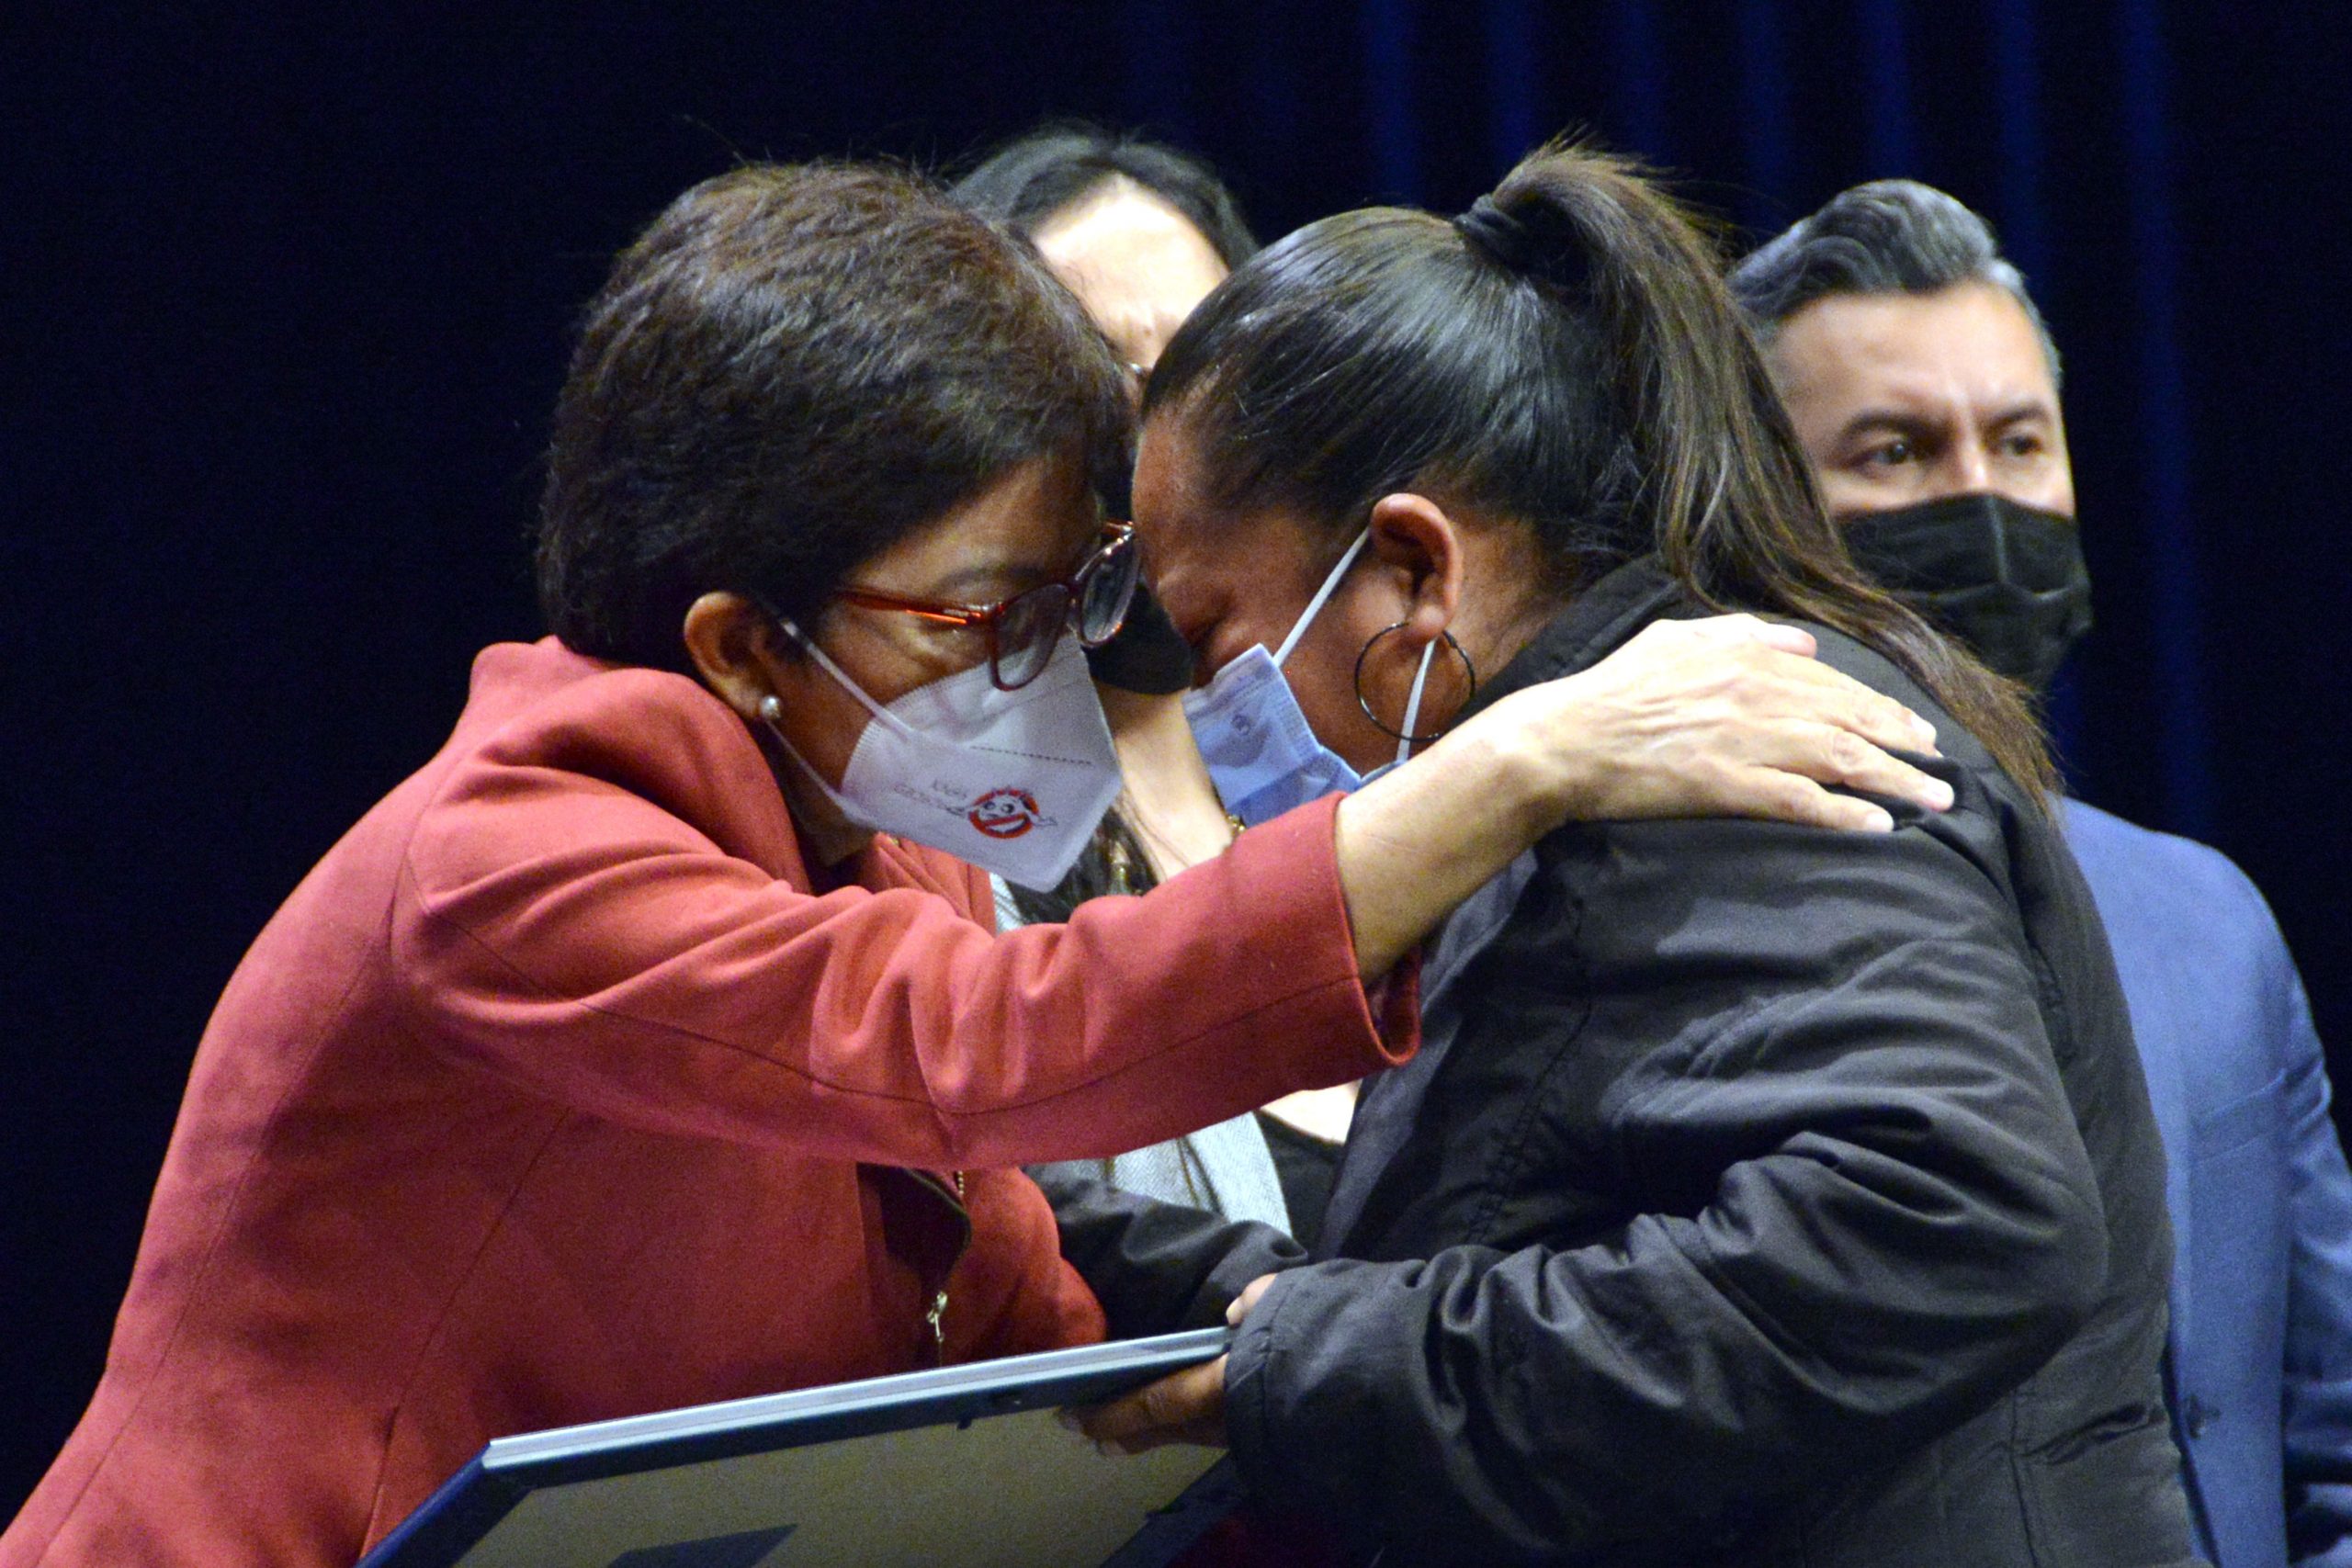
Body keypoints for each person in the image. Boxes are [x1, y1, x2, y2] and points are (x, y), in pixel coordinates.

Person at [0, 162, 1950, 1567]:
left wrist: (1324, 1381)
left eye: (1068, 595)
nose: (1062, 666)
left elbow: (1017, 1314)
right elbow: (997, 1048)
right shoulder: (507, 863)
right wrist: (1513, 763)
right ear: (744, 645)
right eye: (974, 615)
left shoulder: (875, 840)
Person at [1072, 141, 2202, 1566]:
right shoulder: (1590, 778)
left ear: (1418, 567)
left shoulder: (1720, 760)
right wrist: (1198, 1295)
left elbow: (1952, 1210)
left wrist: (1334, 1355)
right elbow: (1507, 1261)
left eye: (1219, 632)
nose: (1208, 696)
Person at [1729, 178, 2352, 1568]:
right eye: (1894, 451)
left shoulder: (2208, 915)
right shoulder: (1674, 918)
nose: (1980, 499)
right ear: (1768, 510)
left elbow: (2333, 1434)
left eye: (2019, 441)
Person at [956, 125, 1350, 1237]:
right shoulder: (934, 853)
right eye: (1092, 382)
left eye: (1198, 372)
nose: (1161, 437)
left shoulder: (1386, 743)